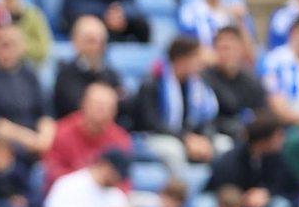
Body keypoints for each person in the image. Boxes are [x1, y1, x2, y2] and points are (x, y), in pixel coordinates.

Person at [134, 35, 219, 177]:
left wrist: (205, 139)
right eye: (196, 58)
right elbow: (151, 123)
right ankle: (179, 195)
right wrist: (185, 138)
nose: (200, 63)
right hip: (155, 137)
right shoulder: (152, 83)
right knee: (174, 150)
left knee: (222, 145)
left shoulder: (198, 85)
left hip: (189, 137)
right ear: (180, 59)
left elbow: (206, 120)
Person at [0, 22, 54, 161]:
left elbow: (45, 112)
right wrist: (30, 139)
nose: (10, 49)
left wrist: (44, 139)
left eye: (15, 44)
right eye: (5, 44)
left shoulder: (30, 72)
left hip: (38, 142)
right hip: (5, 145)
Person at [209, 111, 297, 207]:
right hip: (231, 203)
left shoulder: (277, 157)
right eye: (279, 135)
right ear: (264, 140)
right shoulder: (232, 160)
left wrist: (266, 193)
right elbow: (221, 187)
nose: (283, 139)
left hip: (261, 206)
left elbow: (283, 184)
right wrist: (242, 199)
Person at [42, 80, 132, 182]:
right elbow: (53, 175)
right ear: (83, 104)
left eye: (108, 107)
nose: (102, 111)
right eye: (97, 105)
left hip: (105, 195)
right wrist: (90, 180)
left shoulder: (120, 139)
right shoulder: (62, 132)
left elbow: (125, 182)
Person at [52, 14, 123, 119]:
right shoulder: (66, 74)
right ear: (75, 41)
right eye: (90, 41)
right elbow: (75, 105)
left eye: (101, 41)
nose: (96, 47)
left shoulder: (110, 72)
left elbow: (125, 103)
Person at [177, 0, 256, 57]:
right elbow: (188, 49)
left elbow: (250, 56)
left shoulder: (234, 14)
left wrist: (241, 22)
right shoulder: (189, 12)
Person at [206, 25, 269, 139]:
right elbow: (206, 118)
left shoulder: (251, 80)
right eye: (223, 48)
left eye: (232, 48)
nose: (228, 54)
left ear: (241, 49)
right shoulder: (204, 79)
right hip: (217, 135)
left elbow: (262, 113)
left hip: (249, 135)